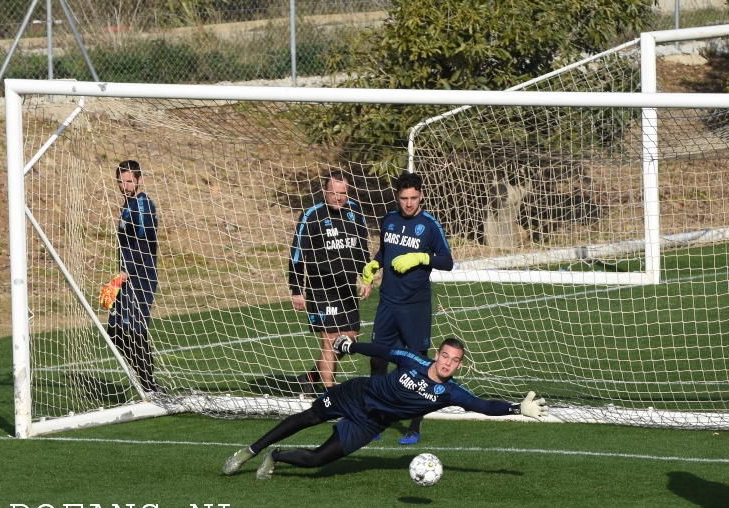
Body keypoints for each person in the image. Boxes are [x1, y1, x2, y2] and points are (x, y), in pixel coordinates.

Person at [223, 335, 548, 479]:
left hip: (369, 424)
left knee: (319, 460)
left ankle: (275, 456)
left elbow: (482, 405)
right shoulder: (413, 360)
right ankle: (250, 450)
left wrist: (516, 409)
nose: (448, 363)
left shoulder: (451, 392)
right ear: (437, 355)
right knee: (308, 416)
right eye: (445, 356)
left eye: (455, 361)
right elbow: (383, 349)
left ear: (459, 366)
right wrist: (351, 347)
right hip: (355, 394)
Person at [359, 171, 453, 444]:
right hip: (387, 303)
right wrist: (374, 265)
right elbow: (384, 251)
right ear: (397, 198)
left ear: (421, 195)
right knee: (378, 360)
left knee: (417, 365)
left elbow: (447, 261)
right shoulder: (388, 219)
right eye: (404, 198)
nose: (409, 203)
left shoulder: (430, 225)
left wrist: (421, 257)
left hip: (415, 307)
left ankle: (414, 424)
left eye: (413, 198)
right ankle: (375, 419)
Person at [288, 170, 370, 397]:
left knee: (350, 340)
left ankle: (311, 377)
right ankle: (328, 397)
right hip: (320, 289)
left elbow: (362, 248)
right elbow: (297, 255)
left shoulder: (355, 211)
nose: (338, 197)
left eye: (343, 193)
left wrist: (366, 278)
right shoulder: (311, 216)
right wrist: (296, 290)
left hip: (347, 289)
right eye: (333, 193)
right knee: (331, 341)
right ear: (324, 191)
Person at [99, 160, 164, 394]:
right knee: (115, 332)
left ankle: (150, 385)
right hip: (126, 279)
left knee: (135, 331)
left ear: (139, 180)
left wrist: (123, 274)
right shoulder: (128, 205)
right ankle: (146, 380)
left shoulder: (144, 205)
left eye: (129, 181)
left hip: (140, 278)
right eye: (121, 181)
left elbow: (145, 243)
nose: (124, 185)